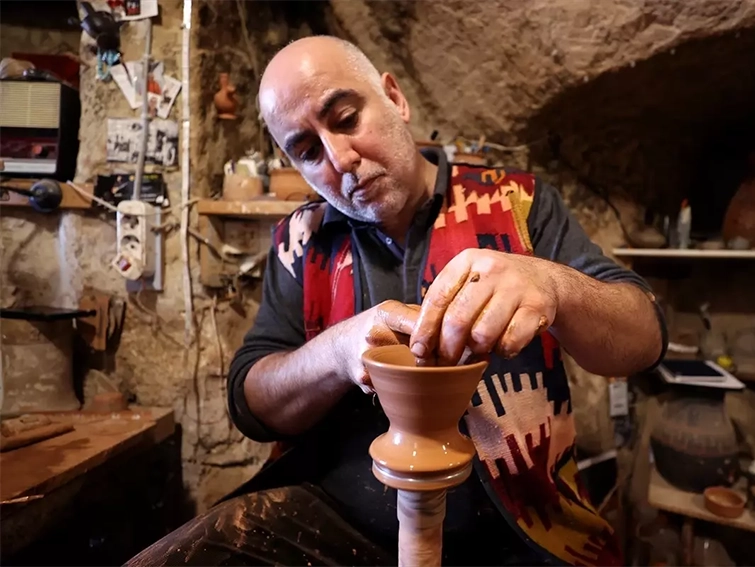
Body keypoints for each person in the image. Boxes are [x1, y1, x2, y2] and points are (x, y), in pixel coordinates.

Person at [126, 35, 666, 567]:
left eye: (345, 118)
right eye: (309, 151)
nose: (339, 159)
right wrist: (336, 353)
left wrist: (553, 286)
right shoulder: (303, 239)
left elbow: (643, 339)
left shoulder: (516, 203)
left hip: (520, 522)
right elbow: (251, 405)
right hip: (341, 522)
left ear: (395, 98)